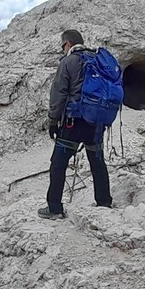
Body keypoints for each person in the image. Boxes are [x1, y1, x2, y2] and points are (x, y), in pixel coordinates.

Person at [41, 29, 113, 219]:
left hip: (73, 123)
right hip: (96, 123)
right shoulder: (97, 59)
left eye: (62, 46)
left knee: (58, 164)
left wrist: (53, 121)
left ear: (67, 44)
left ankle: (55, 208)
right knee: (97, 163)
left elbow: (58, 94)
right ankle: (104, 202)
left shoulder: (68, 62)